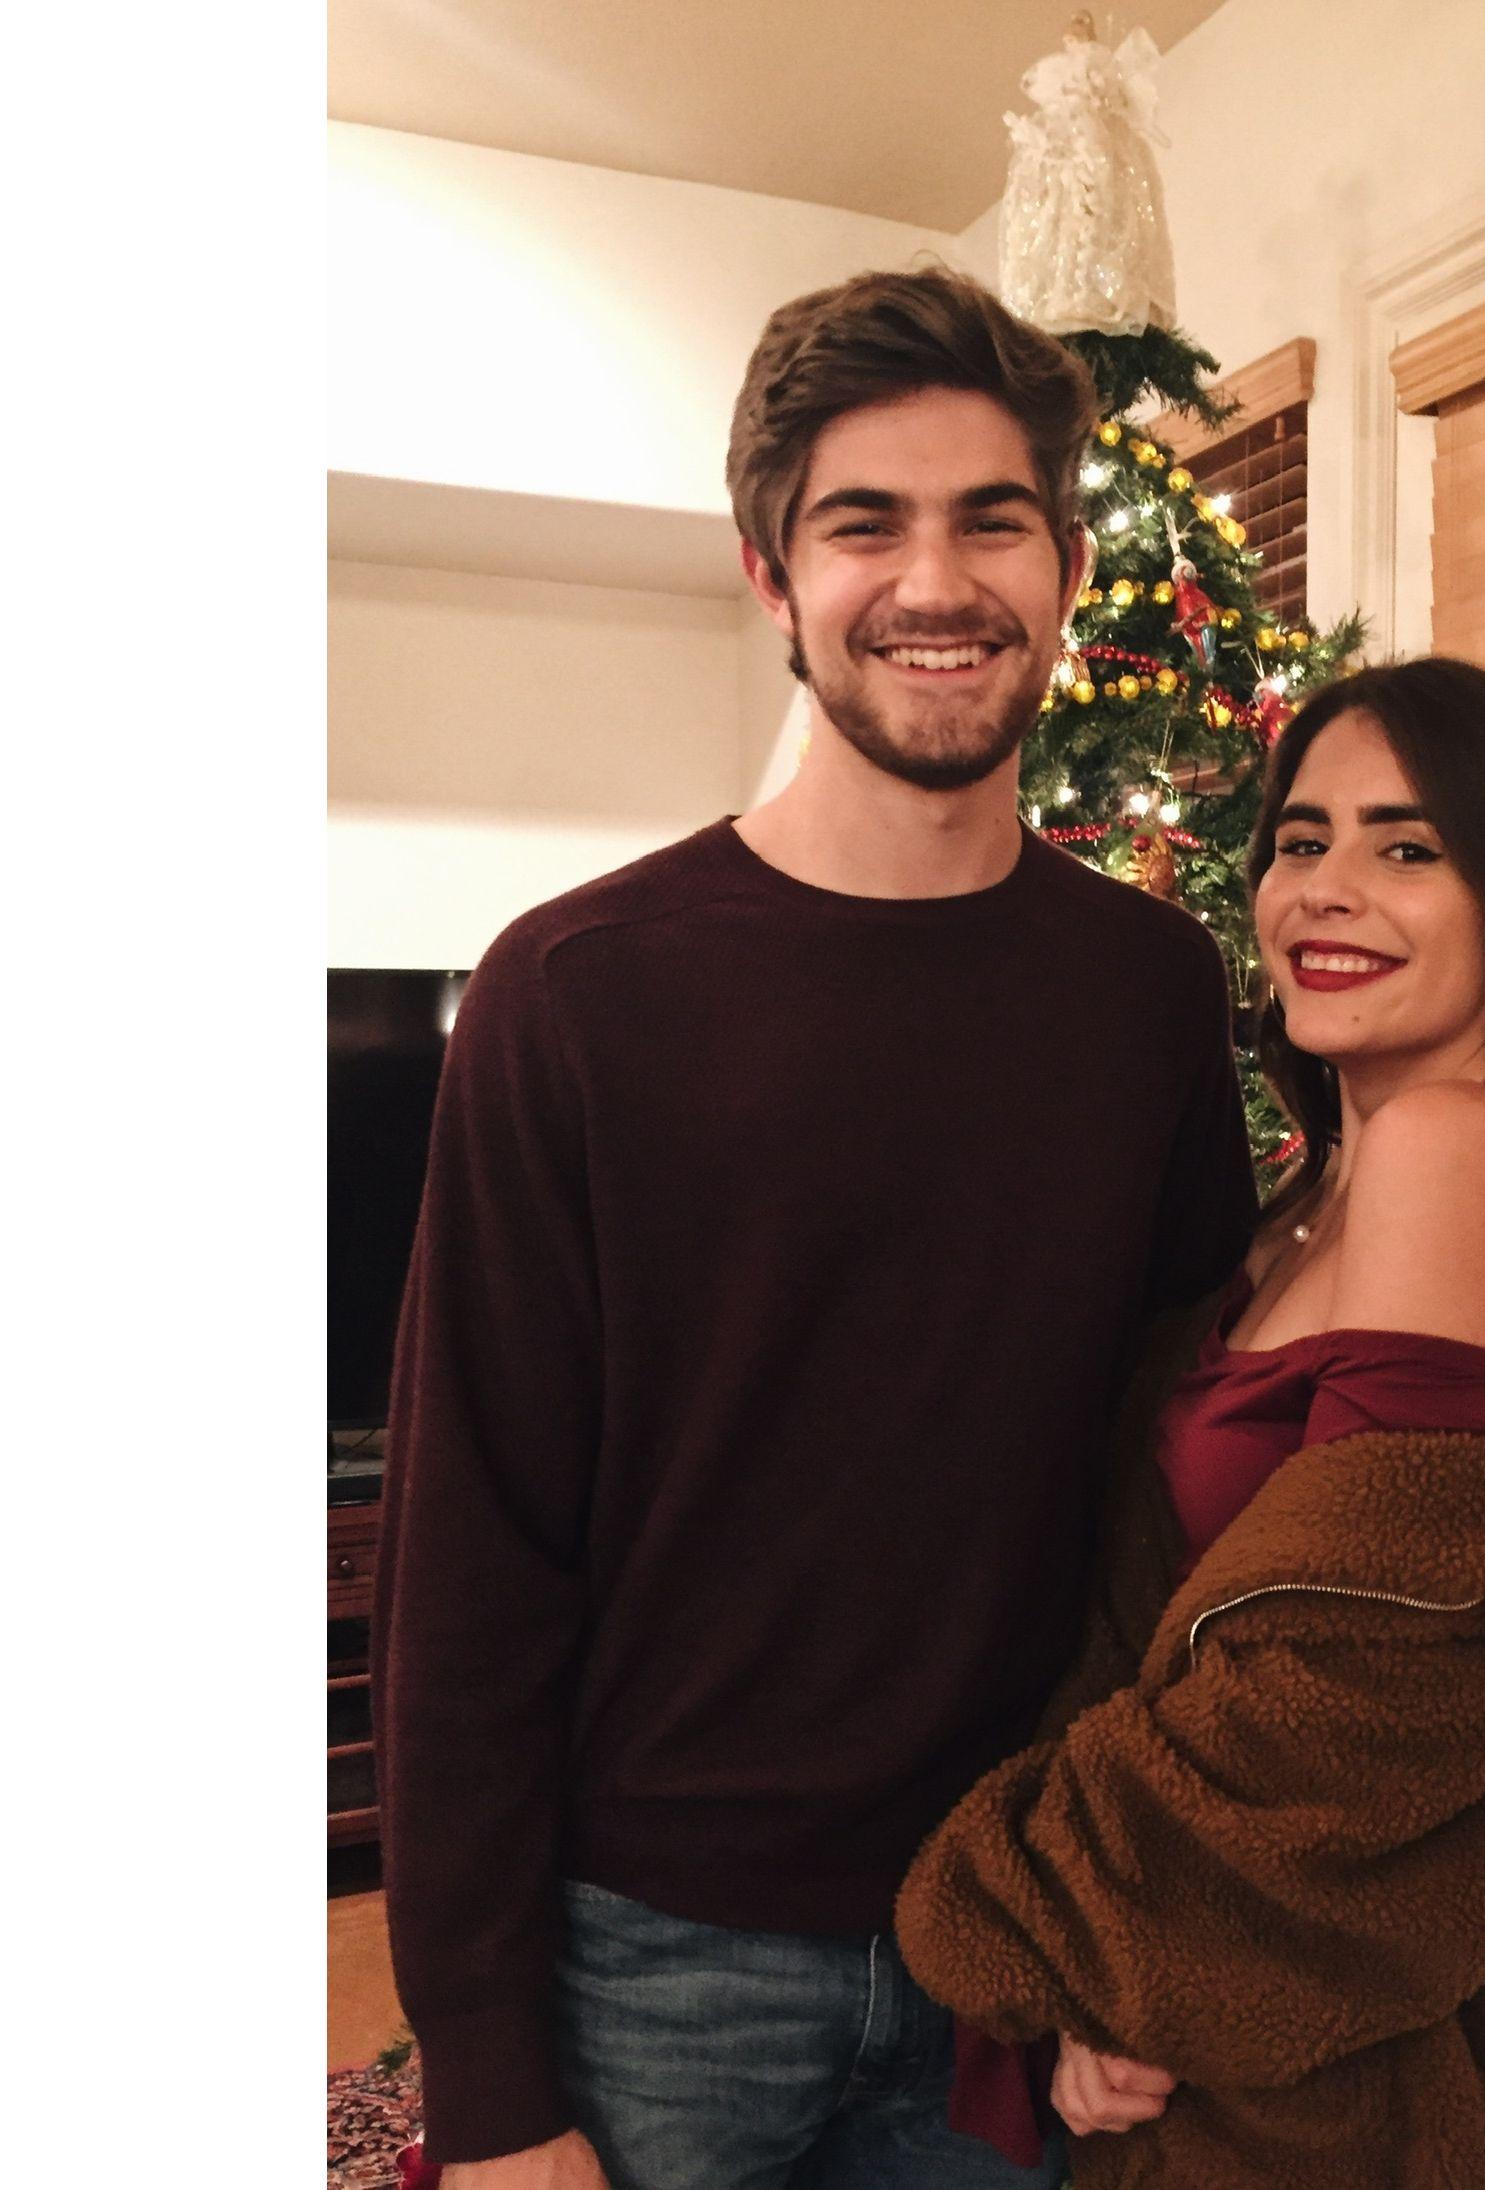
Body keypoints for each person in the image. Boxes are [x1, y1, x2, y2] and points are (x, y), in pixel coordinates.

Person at [372, 266, 1259, 2190]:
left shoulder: (1148, 991)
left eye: (991, 520)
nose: (934, 582)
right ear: (773, 576)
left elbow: (1182, 1493)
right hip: (654, 1960)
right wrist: (491, 2080)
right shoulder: (575, 992)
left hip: (1014, 1933)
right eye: (866, 523)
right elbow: (472, 1554)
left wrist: (1142, 1909)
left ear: (1066, 567)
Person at [897, 656, 1485, 2187]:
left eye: (1407, 848)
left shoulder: (1456, 1148)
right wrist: (1108, 1990)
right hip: (1248, 2044)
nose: (1326, 888)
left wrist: (1033, 1916)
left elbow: (1355, 1686)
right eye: (1301, 839)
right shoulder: (1310, 1190)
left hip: (1368, 2098)